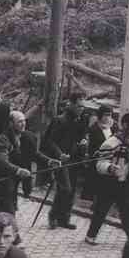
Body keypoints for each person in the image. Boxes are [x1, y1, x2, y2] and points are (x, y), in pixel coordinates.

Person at [85, 111, 129, 246]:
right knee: (101, 211)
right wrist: (110, 168)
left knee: (127, 212)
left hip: (126, 184)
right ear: (124, 124)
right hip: (110, 184)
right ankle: (90, 236)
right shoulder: (112, 142)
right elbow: (100, 163)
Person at [42, 93, 90, 230]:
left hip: (75, 159)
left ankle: (64, 218)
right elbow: (49, 141)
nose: (82, 109)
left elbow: (83, 135)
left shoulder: (83, 120)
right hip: (60, 160)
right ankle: (53, 216)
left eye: (83, 106)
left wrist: (84, 141)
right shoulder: (60, 120)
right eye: (79, 106)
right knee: (65, 188)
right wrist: (59, 154)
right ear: (72, 104)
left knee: (72, 190)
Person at [0, 111, 35, 215]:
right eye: (19, 122)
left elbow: (34, 153)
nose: (23, 124)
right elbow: (2, 161)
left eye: (24, 121)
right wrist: (18, 170)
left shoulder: (26, 136)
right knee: (8, 211)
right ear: (11, 123)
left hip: (13, 182)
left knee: (3, 211)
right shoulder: (4, 139)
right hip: (3, 181)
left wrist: (49, 161)